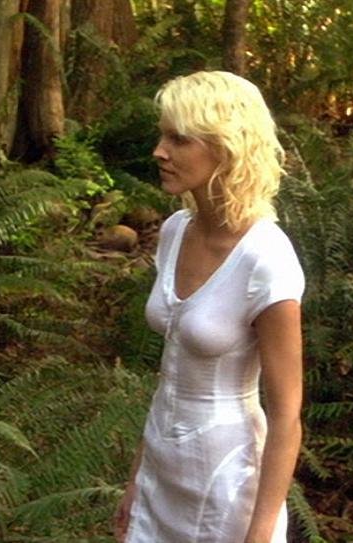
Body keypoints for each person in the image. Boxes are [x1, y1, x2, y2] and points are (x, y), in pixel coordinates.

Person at [114, 71, 305, 542]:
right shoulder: (175, 230)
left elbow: (286, 415)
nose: (159, 151)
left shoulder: (265, 258)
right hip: (161, 466)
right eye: (162, 136)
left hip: (227, 479)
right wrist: (137, 478)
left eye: (179, 139)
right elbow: (170, 373)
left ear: (227, 147)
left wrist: (260, 532)